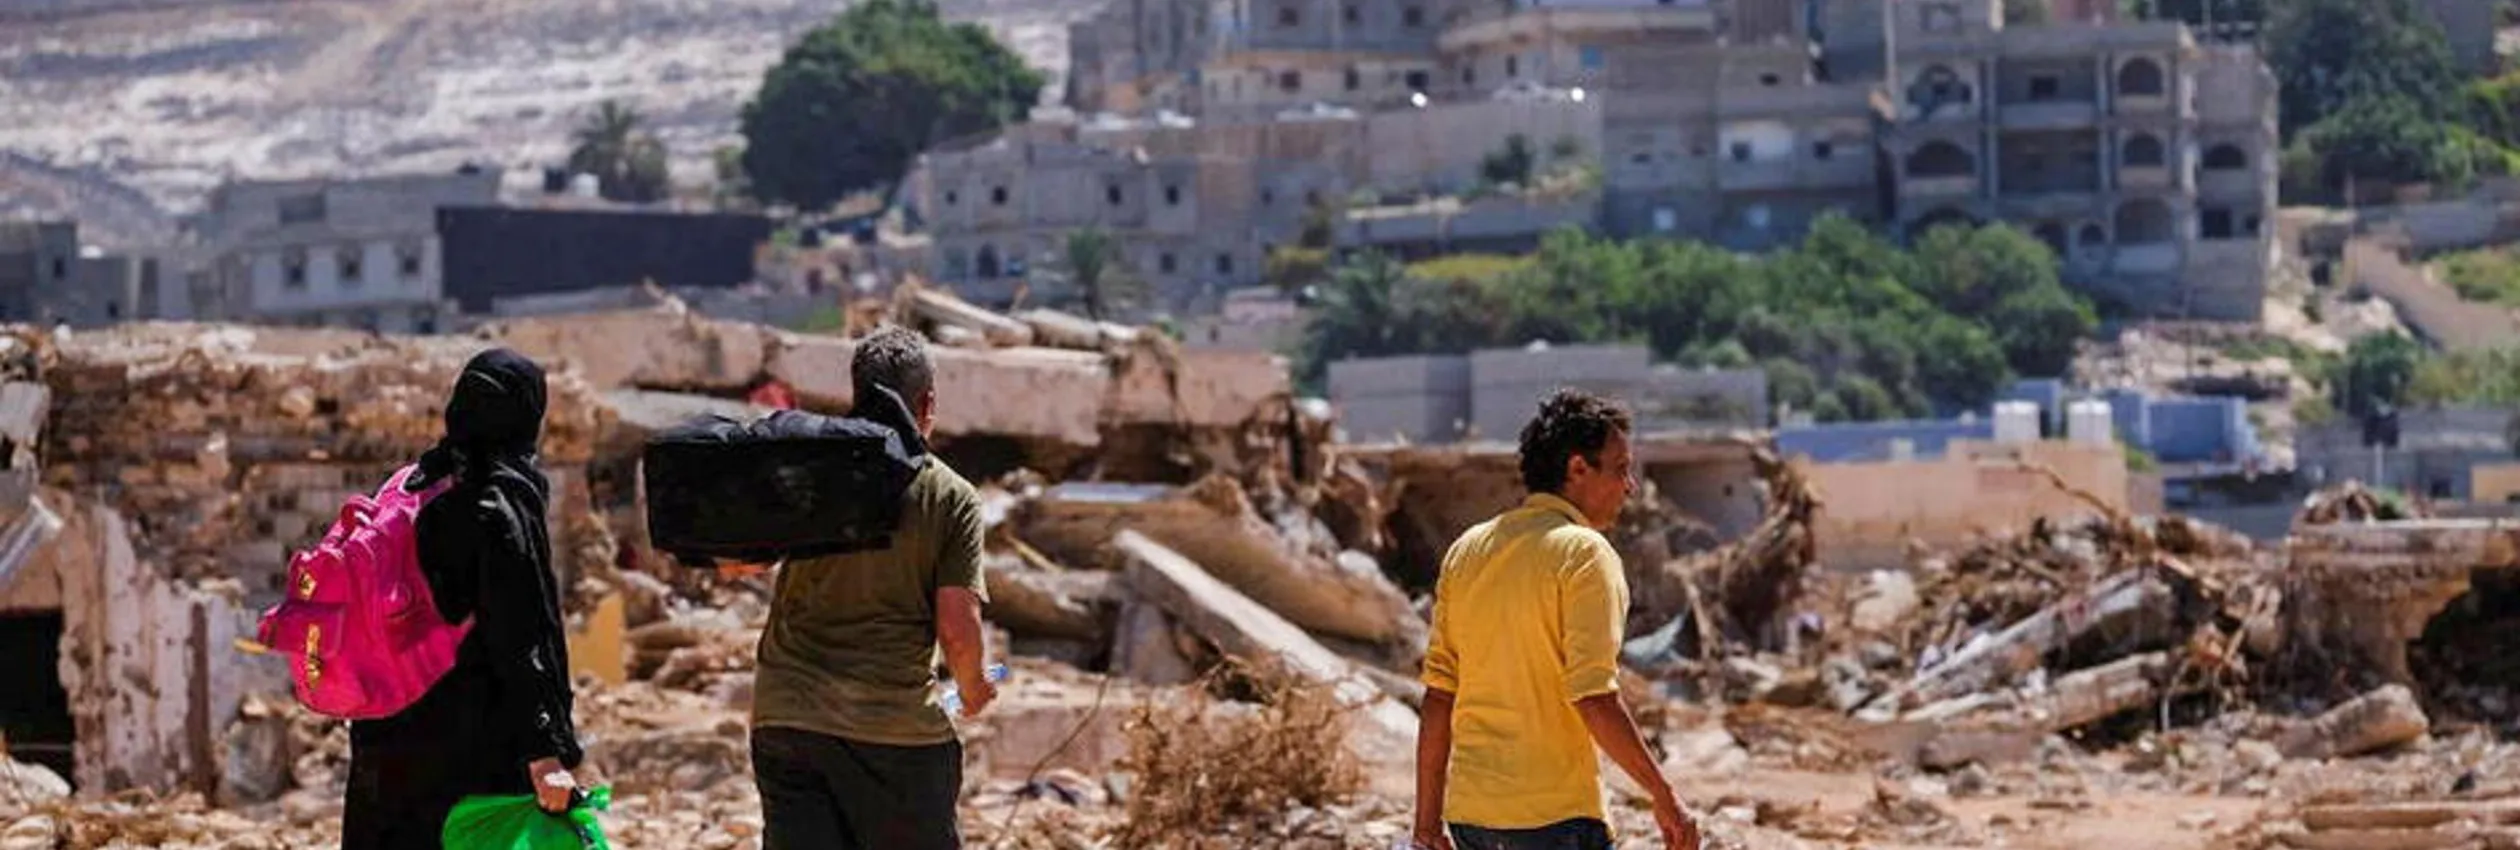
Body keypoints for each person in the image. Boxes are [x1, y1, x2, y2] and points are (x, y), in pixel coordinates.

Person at [732, 325, 997, 850]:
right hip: (894, 732)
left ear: (858, 394)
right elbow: (957, 629)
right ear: (928, 404)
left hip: (788, 721)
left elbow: (737, 564)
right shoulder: (949, 496)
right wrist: (974, 688)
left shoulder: (811, 472)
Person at [1413, 388, 1703, 850]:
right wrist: (1665, 796)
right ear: (1577, 469)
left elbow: (1438, 698)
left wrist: (1426, 828)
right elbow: (1592, 695)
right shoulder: (1584, 553)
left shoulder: (1468, 550)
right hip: (1555, 820)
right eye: (1621, 469)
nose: (1629, 487)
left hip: (1472, 820)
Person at [343, 348, 584, 850]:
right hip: (470, 745)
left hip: (386, 732)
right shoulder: (497, 500)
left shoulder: (410, 487)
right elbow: (521, 630)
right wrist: (546, 749)